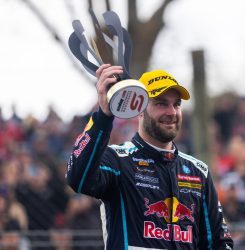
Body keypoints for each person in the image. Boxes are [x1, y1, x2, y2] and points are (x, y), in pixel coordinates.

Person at [66, 64, 234, 249]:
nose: (172, 112)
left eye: (176, 104)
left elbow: (219, 242)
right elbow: (78, 178)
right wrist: (103, 117)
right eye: (161, 103)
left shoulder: (198, 171)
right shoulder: (118, 159)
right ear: (139, 108)